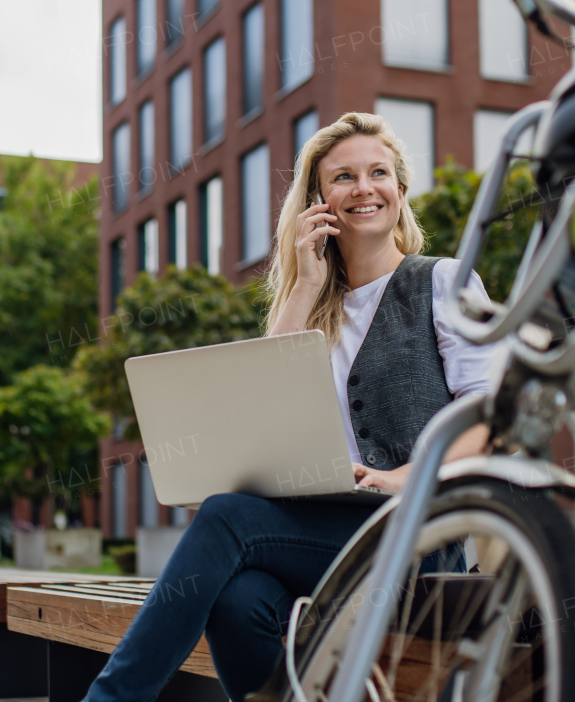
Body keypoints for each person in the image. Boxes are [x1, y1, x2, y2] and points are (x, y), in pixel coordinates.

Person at [80, 112, 499, 702]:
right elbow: (259, 417)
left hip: (415, 539)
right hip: (326, 531)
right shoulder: (312, 309)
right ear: (317, 201)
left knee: (226, 515)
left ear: (400, 192)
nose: (363, 188)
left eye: (378, 173)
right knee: (237, 599)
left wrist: (400, 477)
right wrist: (302, 285)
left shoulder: (445, 283)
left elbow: (487, 412)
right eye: (343, 177)